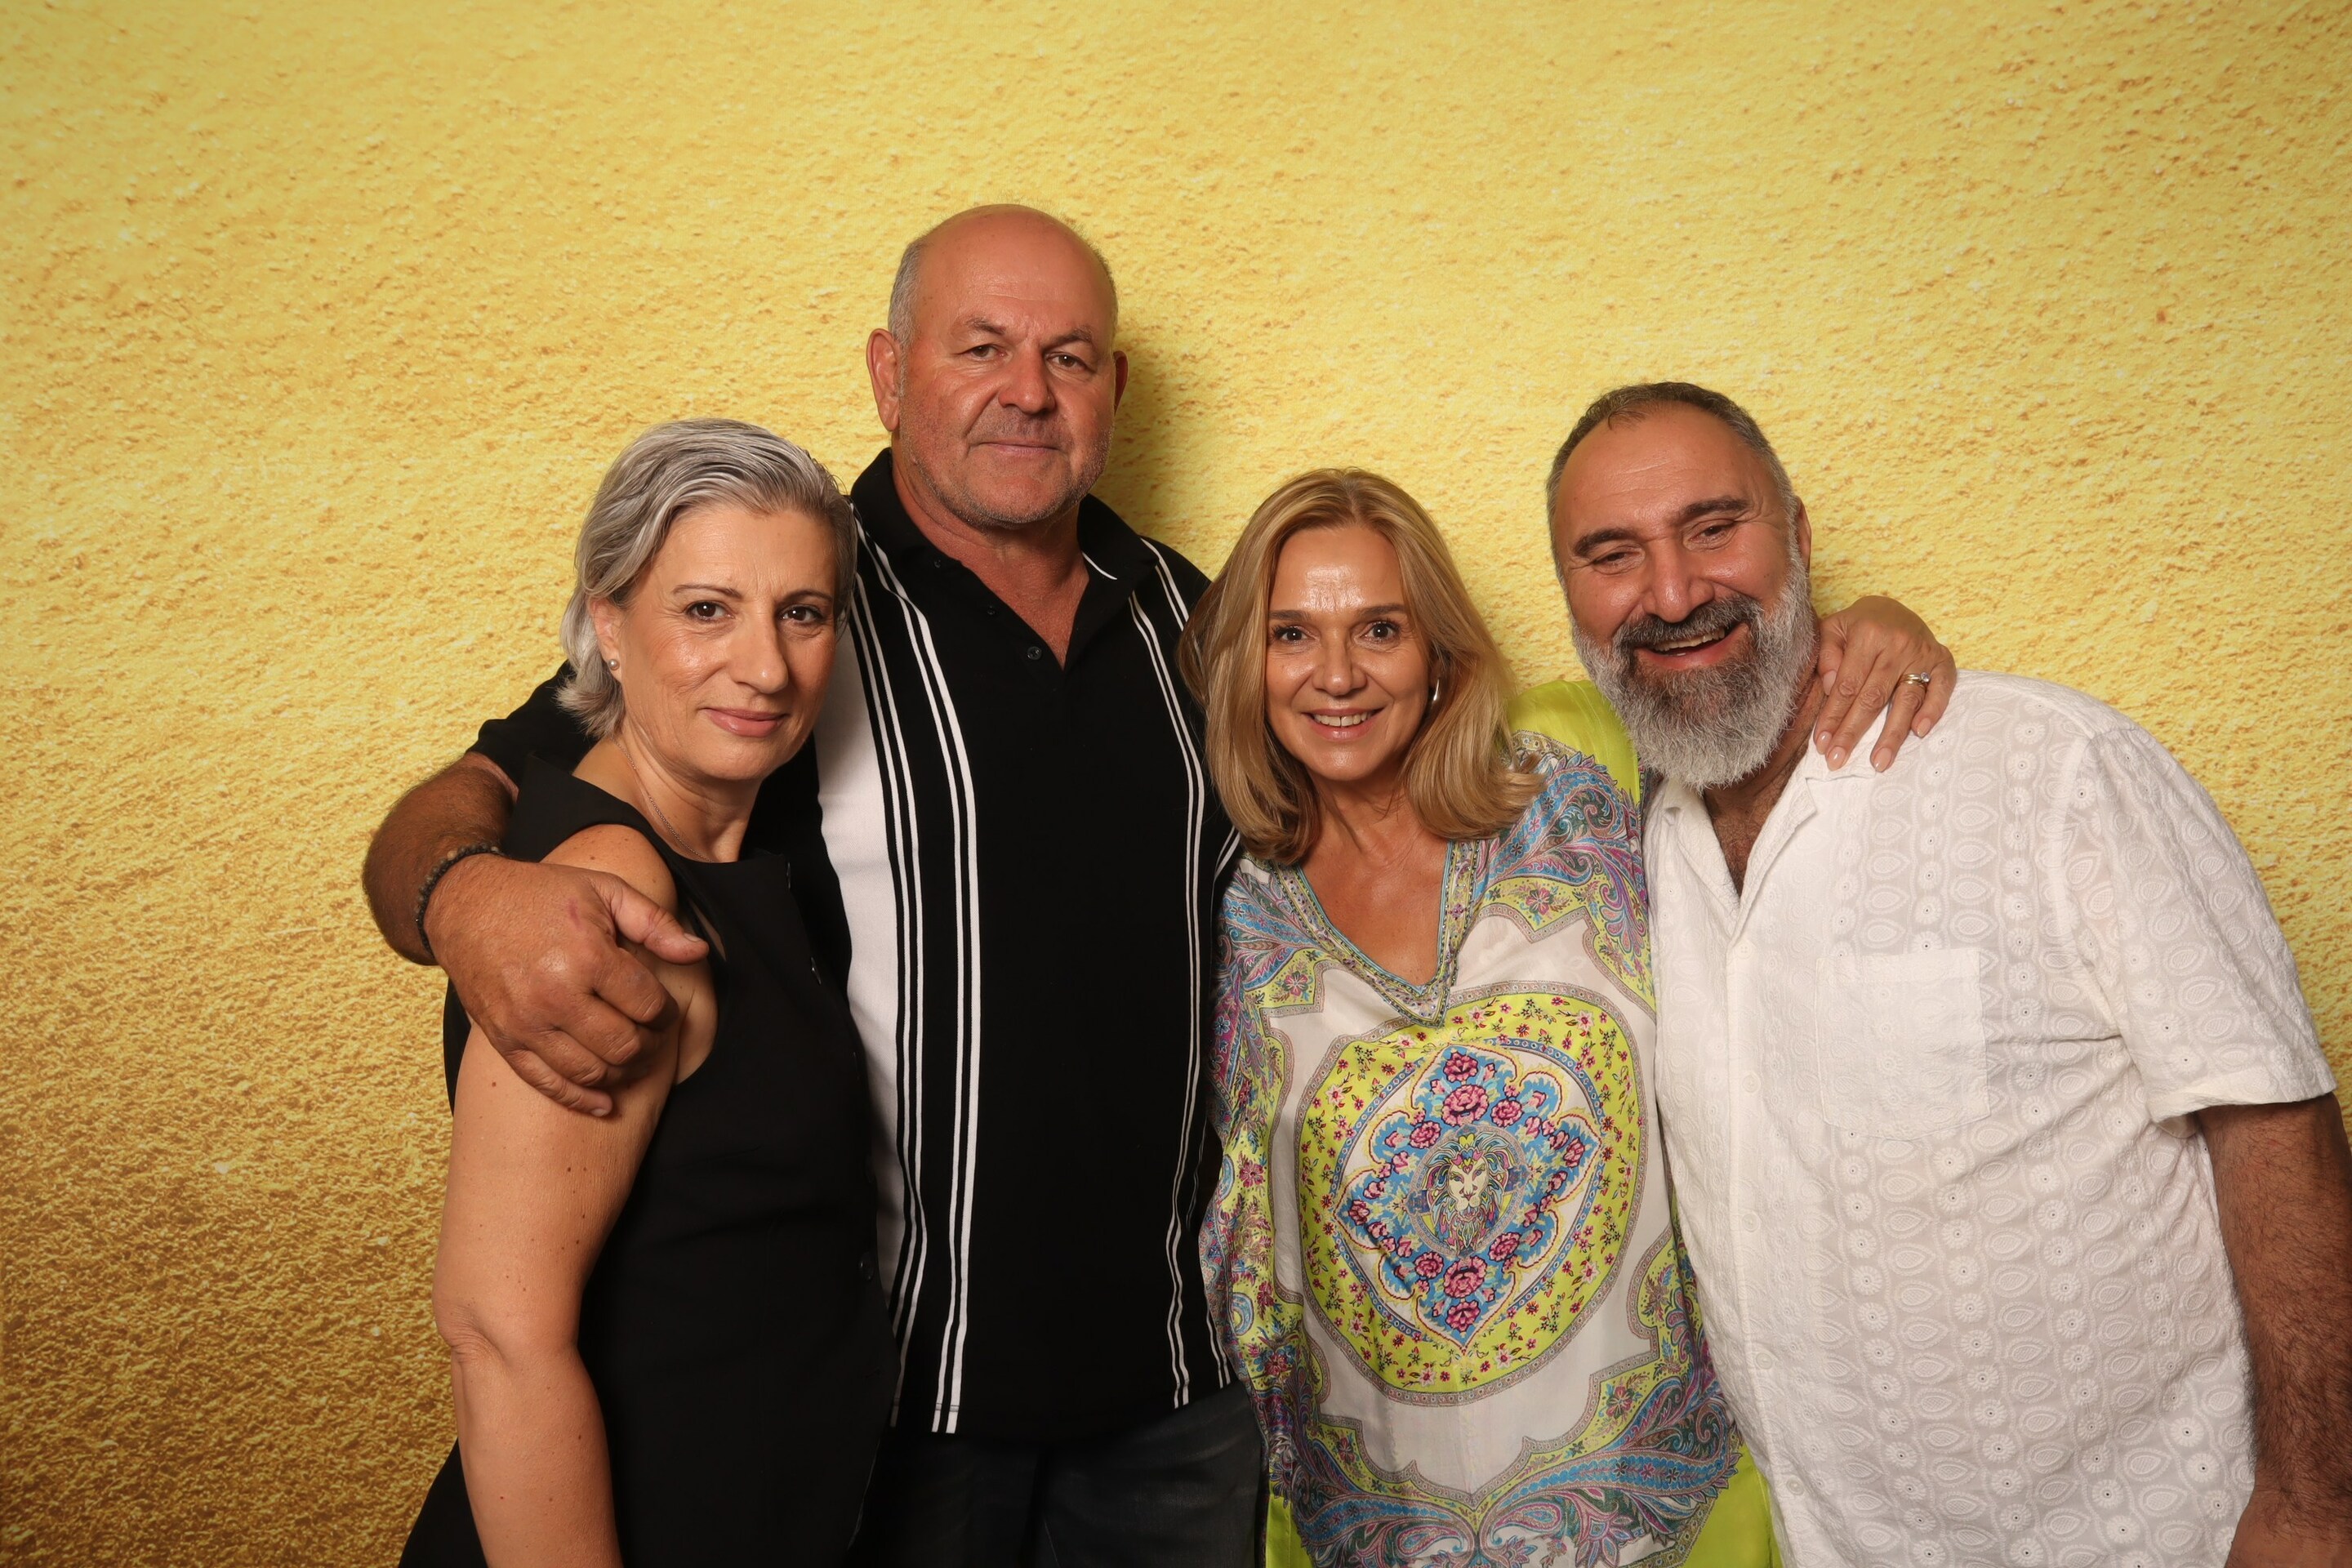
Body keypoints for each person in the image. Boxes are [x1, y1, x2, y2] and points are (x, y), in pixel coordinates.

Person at [367, 207, 1262, 1565]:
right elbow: (478, 797)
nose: (1029, 391)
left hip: (1174, 1405)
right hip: (894, 1419)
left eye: (1070, 357)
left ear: (1115, 391)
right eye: (981, 347)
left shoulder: (1194, 622)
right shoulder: (780, 590)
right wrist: (461, 899)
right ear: (889, 374)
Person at [1548, 380, 2352, 1568]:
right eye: (1612, 555)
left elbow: (2276, 1126)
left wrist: (2319, 1508)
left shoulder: (2053, 771)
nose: (1671, 595)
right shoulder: (1615, 849)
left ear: (1799, 536)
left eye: (1714, 528)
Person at [1183, 469, 1955, 1567]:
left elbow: (1744, 694)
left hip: (1676, 1492)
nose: (1338, 674)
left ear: (1438, 649)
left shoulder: (1575, 767)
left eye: (1381, 629)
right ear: (1245, 666)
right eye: (1291, 634)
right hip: (1368, 1523)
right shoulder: (1221, 898)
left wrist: (1869, 631)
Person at [399, 419, 894, 1566]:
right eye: (707, 610)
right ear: (610, 626)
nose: (766, 668)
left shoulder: (735, 858)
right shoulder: (614, 891)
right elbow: (499, 1334)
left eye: (803, 613)